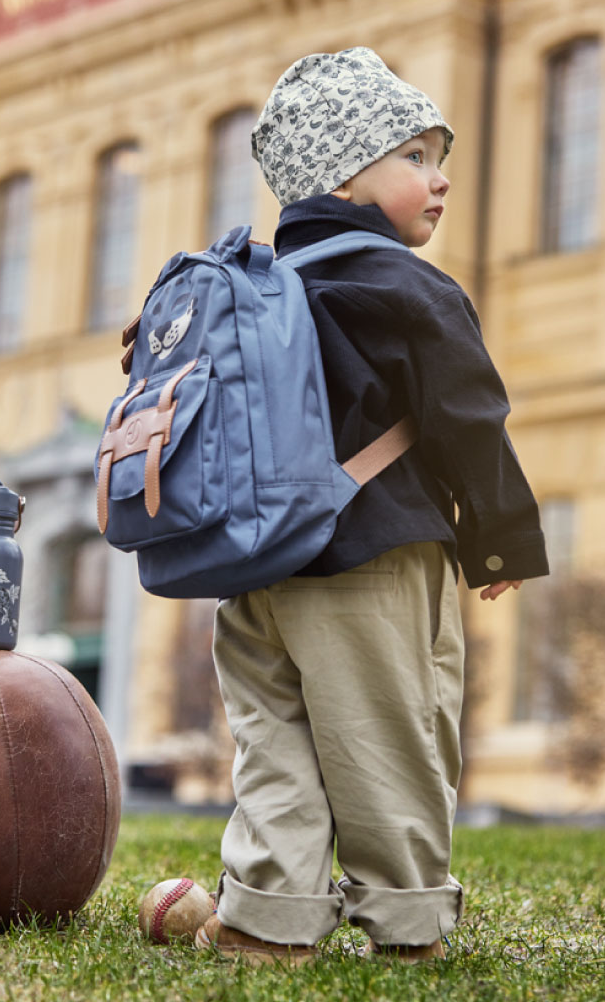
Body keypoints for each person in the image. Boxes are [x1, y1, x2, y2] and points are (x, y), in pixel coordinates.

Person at [195, 48, 549, 965]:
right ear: (346, 172)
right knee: (390, 739)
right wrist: (500, 540)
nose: (439, 183)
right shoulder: (408, 286)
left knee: (274, 744)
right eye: (416, 157)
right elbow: (471, 417)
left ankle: (267, 918)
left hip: (256, 565)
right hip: (375, 559)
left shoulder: (248, 287)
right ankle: (407, 925)